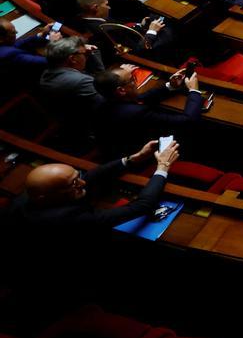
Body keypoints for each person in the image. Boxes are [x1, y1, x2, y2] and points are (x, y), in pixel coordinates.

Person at [5, 138, 180, 233]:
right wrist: (163, 167)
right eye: (74, 183)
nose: (82, 182)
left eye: (77, 175)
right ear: (47, 196)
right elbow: (141, 207)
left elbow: (89, 177)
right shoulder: (70, 218)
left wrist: (132, 159)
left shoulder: (38, 193)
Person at [94, 65, 204, 154]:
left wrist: (170, 86)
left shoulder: (106, 101)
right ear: (121, 90)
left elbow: (141, 98)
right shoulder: (136, 113)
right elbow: (187, 121)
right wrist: (194, 91)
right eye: (132, 79)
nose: (135, 82)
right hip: (143, 154)